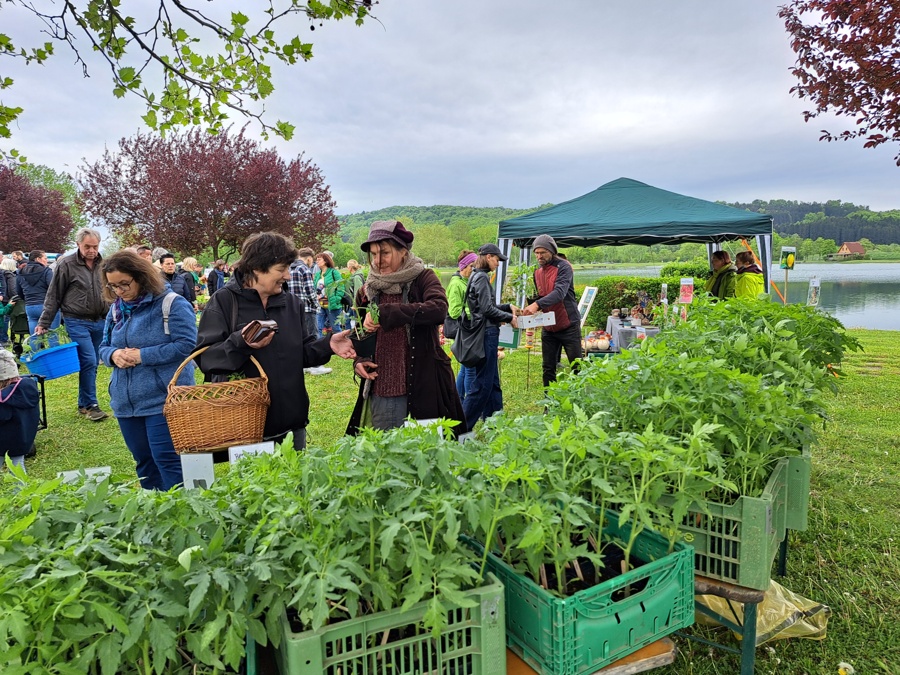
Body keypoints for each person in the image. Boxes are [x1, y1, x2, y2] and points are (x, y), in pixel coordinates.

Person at [196, 232, 355, 446]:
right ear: (256, 268)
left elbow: (303, 352)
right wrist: (241, 343)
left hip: (292, 423)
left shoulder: (291, 303)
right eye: (281, 269)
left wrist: (328, 344)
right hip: (246, 426)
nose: (288, 276)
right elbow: (206, 359)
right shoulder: (224, 302)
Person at [347, 220, 465, 435]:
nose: (378, 260)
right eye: (373, 254)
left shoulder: (423, 277)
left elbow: (439, 309)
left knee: (425, 453)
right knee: (388, 456)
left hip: (423, 381)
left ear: (403, 251)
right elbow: (360, 330)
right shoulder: (369, 288)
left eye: (385, 253)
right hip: (383, 386)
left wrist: (388, 313)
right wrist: (360, 360)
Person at [98, 251, 196, 490]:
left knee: (168, 461)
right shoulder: (116, 309)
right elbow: (103, 346)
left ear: (141, 277)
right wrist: (113, 355)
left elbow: (186, 345)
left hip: (164, 399)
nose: (119, 291)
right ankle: (151, 516)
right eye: (113, 287)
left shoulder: (171, 303)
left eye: (124, 284)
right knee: (144, 463)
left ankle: (180, 514)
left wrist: (142, 355)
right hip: (126, 402)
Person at [37, 227, 110, 421]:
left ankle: (83, 403)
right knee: (89, 360)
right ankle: (91, 405)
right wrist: (44, 321)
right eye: (87, 246)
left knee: (92, 363)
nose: (92, 250)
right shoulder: (66, 264)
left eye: (95, 246)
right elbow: (54, 294)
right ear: (78, 244)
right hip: (76, 320)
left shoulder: (104, 264)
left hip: (100, 320)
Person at [461, 243, 519, 432]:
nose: (498, 263)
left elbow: (484, 306)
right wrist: (510, 317)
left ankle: (495, 424)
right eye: (497, 259)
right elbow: (486, 310)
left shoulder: (476, 275)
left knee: (493, 383)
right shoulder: (482, 278)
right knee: (482, 385)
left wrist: (507, 306)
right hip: (487, 334)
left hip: (486, 332)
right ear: (487, 256)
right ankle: (461, 429)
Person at [521, 235, 583, 387]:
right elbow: (542, 295)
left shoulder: (564, 267)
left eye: (543, 252)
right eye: (536, 253)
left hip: (568, 324)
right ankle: (549, 404)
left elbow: (559, 292)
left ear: (552, 251)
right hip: (549, 326)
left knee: (577, 366)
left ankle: (581, 402)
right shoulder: (537, 272)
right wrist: (531, 306)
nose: (539, 256)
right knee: (548, 367)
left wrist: (536, 304)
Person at [0, 349, 40, 474]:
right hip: (24, 439)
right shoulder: (28, 387)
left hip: (3, 442)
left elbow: (3, 416)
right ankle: (23, 492)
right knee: (18, 466)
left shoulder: (5, 398)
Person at [446, 250, 477, 399]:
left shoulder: (467, 281)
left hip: (469, 329)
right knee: (471, 368)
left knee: (465, 367)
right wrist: (477, 313)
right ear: (463, 266)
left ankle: (458, 400)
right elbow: (454, 312)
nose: (475, 269)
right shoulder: (456, 284)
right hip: (463, 330)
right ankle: (468, 405)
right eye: (472, 265)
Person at [17, 250, 62, 348]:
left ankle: (35, 357)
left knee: (34, 336)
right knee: (52, 335)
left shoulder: (20, 273)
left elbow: (18, 291)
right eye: (45, 258)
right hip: (47, 307)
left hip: (30, 306)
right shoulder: (46, 271)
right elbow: (53, 289)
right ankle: (55, 359)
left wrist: (27, 300)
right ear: (38, 259)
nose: (46, 261)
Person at [313, 252, 343, 336]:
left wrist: (336, 299)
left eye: (319, 260)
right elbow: (315, 288)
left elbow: (341, 287)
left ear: (325, 261)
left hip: (332, 306)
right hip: (320, 305)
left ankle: (340, 346)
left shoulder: (334, 272)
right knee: (319, 328)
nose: (317, 262)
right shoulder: (318, 274)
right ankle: (322, 347)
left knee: (335, 328)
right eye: (316, 260)